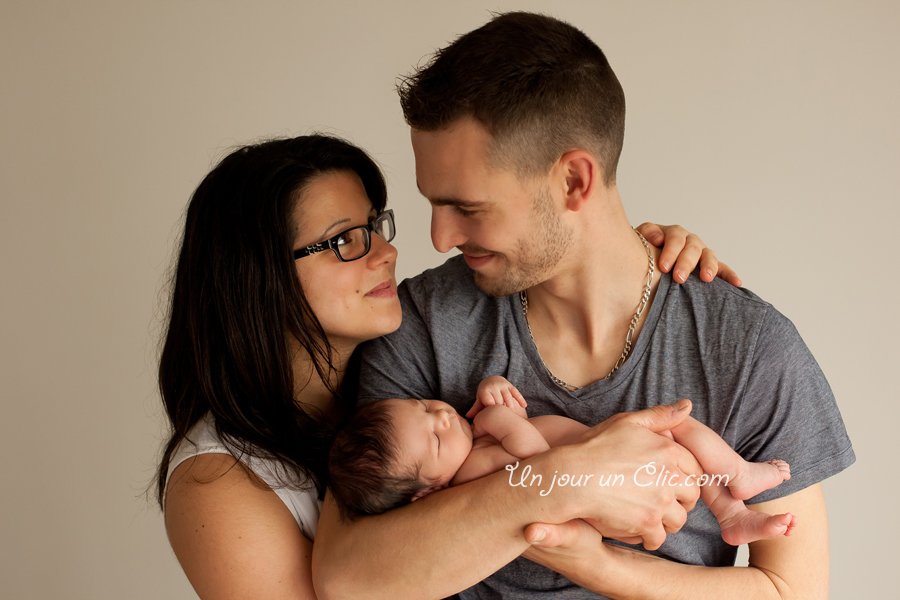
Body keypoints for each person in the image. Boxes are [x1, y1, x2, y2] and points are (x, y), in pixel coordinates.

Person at [312, 11, 855, 600]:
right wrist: (569, 480)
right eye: (433, 205)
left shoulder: (745, 346)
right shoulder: (423, 323)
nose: (440, 238)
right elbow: (350, 579)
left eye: (467, 208)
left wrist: (593, 563)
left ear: (574, 181)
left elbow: (791, 590)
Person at [156, 133, 724, 598]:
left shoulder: (403, 366)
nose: (386, 252)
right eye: (344, 241)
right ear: (256, 279)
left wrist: (633, 261)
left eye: (375, 226)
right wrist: (570, 482)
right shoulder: (216, 483)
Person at [329, 376, 797, 546]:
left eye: (425, 406)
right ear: (428, 491)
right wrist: (495, 412)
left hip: (616, 468)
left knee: (678, 448)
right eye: (434, 439)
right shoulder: (469, 476)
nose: (443, 416)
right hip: (611, 488)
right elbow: (534, 457)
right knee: (677, 429)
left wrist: (492, 386)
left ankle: (732, 513)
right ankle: (736, 477)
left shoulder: (470, 444)